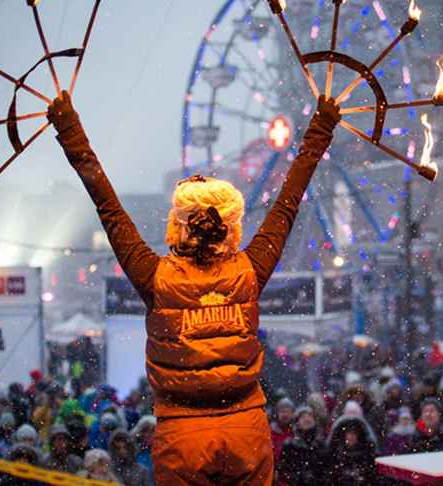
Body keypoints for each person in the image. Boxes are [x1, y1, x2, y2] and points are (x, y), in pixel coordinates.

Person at [47, 91, 341, 485]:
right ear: (230, 226)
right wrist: (320, 129)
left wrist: (70, 130)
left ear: (179, 224)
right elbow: (287, 204)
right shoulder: (249, 270)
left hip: (181, 431)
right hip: (245, 428)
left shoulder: (157, 278)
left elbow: (109, 208)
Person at [278, 406, 328, 485]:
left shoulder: (322, 444)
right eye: (303, 417)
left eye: (310, 416)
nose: (307, 419)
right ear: (297, 423)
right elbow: (284, 471)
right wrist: (299, 478)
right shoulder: (289, 445)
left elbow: (327, 470)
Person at [270, 397, 296, 464]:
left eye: (288, 412)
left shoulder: (297, 431)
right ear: (277, 414)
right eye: (282, 411)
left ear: (293, 414)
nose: (285, 415)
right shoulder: (270, 431)